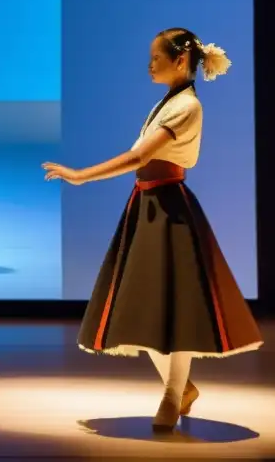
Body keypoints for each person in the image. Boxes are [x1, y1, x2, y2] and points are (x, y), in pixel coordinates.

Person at [42, 28, 262, 431]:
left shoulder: (187, 107)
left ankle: (172, 394)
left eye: (156, 57)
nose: (150, 64)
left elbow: (139, 155)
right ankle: (181, 388)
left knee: (174, 305)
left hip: (169, 208)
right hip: (147, 205)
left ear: (179, 61)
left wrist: (80, 176)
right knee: (144, 303)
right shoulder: (170, 101)